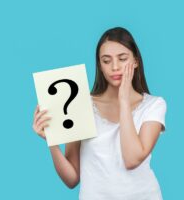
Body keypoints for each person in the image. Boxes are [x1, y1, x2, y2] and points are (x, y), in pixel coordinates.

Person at [32, 27, 167, 200]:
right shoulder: (80, 104)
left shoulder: (153, 105)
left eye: (122, 58)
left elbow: (132, 159)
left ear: (135, 61)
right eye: (106, 60)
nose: (115, 67)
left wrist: (124, 100)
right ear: (100, 66)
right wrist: (52, 140)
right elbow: (72, 179)